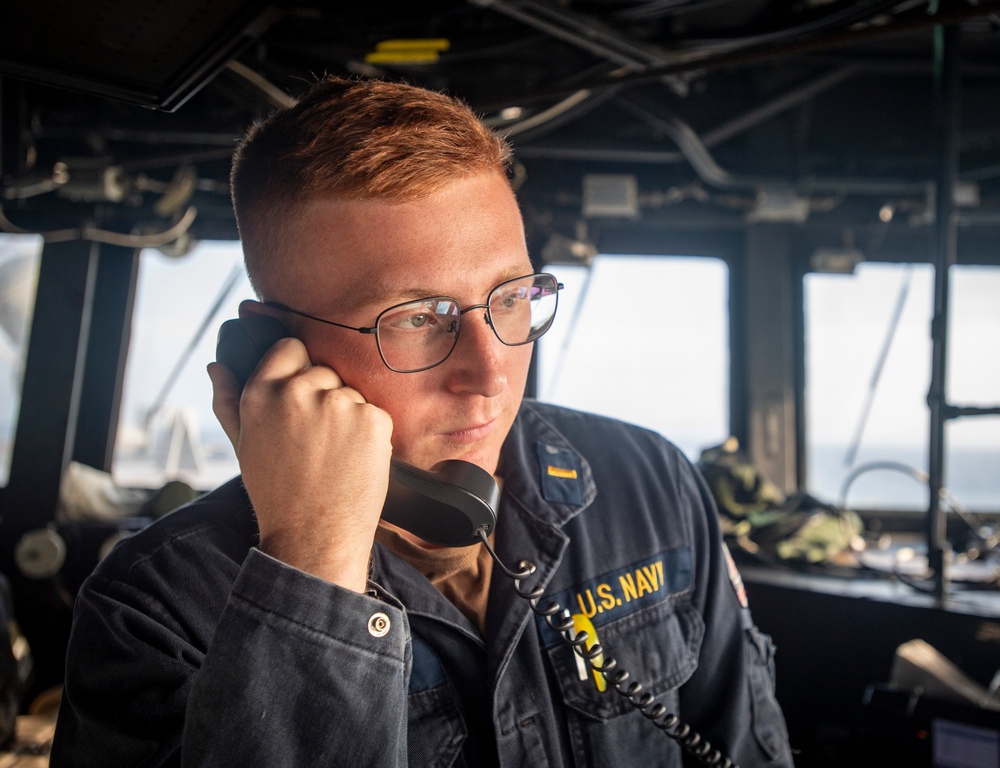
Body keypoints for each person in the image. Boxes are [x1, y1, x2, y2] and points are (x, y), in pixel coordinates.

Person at [51, 76, 793, 767]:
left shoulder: (650, 484)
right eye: (416, 317)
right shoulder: (153, 610)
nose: (490, 372)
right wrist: (312, 565)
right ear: (273, 350)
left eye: (511, 295)